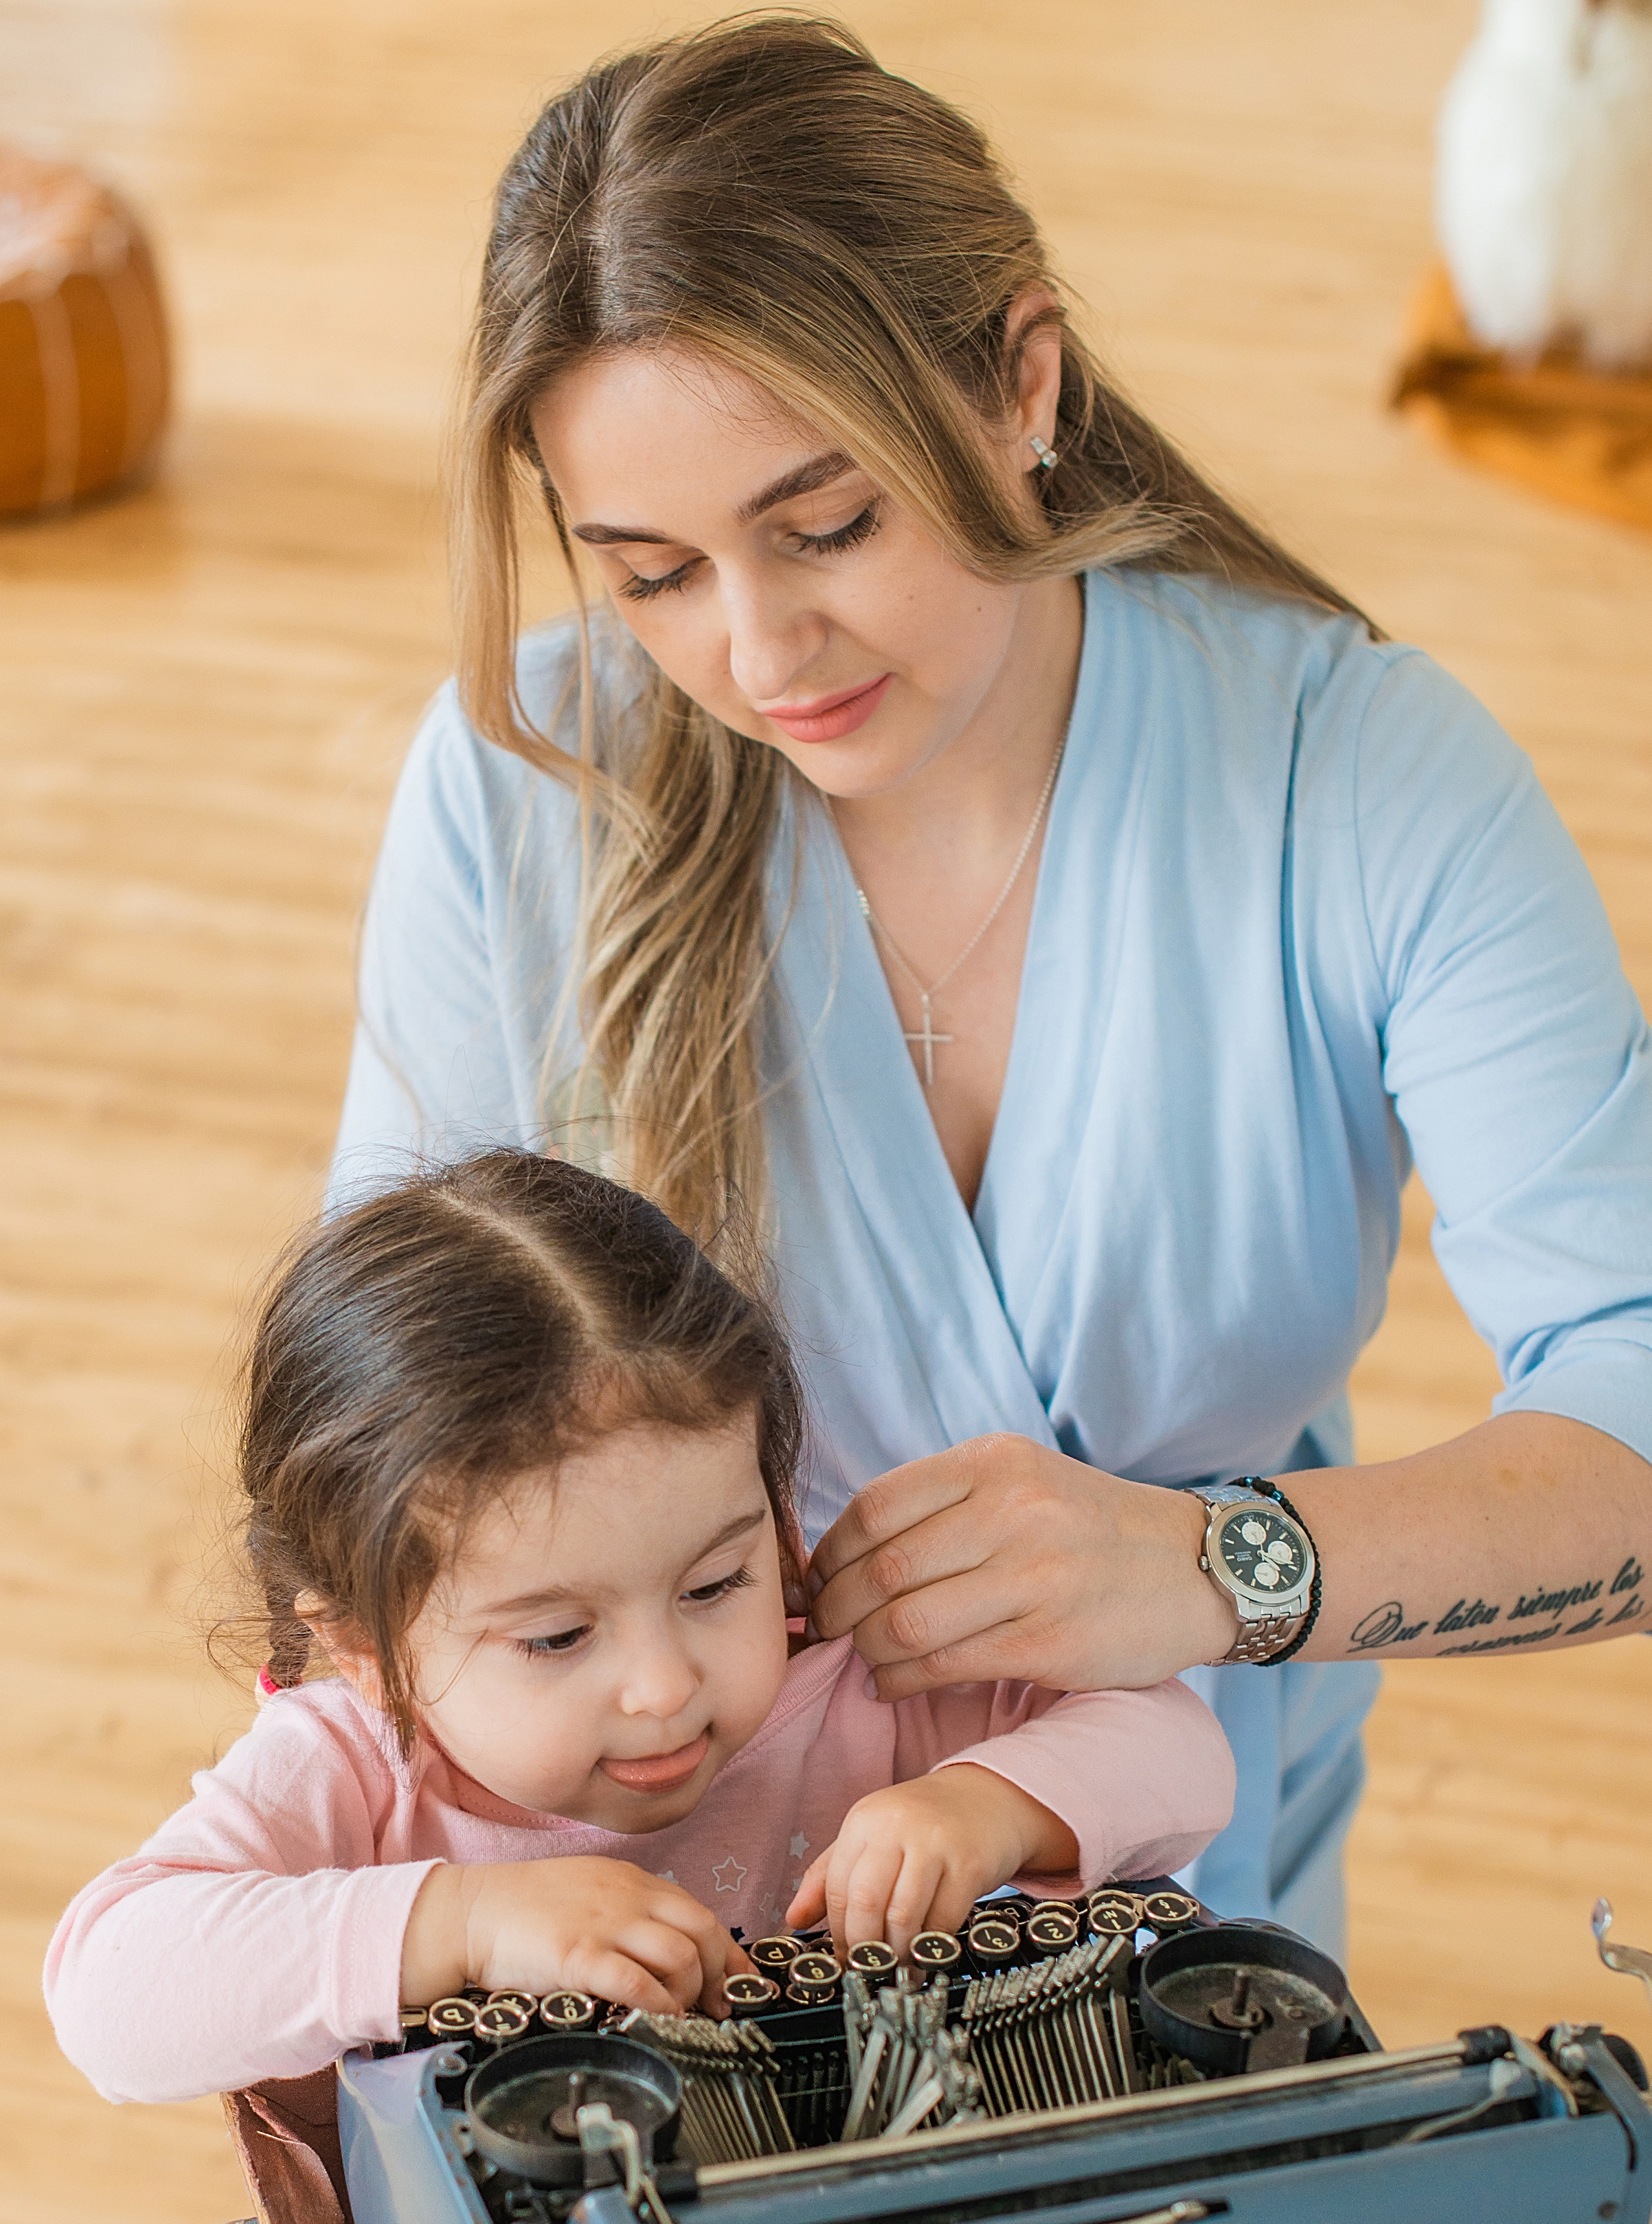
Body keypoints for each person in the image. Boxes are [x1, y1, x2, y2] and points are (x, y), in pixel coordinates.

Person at [332, 16, 1652, 1988]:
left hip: (1183, 1865)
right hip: (657, 1932)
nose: (758, 650)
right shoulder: (522, 789)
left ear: (1019, 380)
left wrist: (1206, 1567)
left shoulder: (1356, 777)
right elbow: (382, 1435)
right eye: (650, 574)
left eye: (827, 525)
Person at [45, 1150, 1232, 2106]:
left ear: (773, 1514)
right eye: (557, 1638)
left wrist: (986, 1806)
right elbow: (110, 1996)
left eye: (716, 1585)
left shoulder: (863, 1672)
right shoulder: (358, 1764)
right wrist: (459, 1921)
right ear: (365, 1647)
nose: (665, 1688)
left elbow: (1182, 1751)